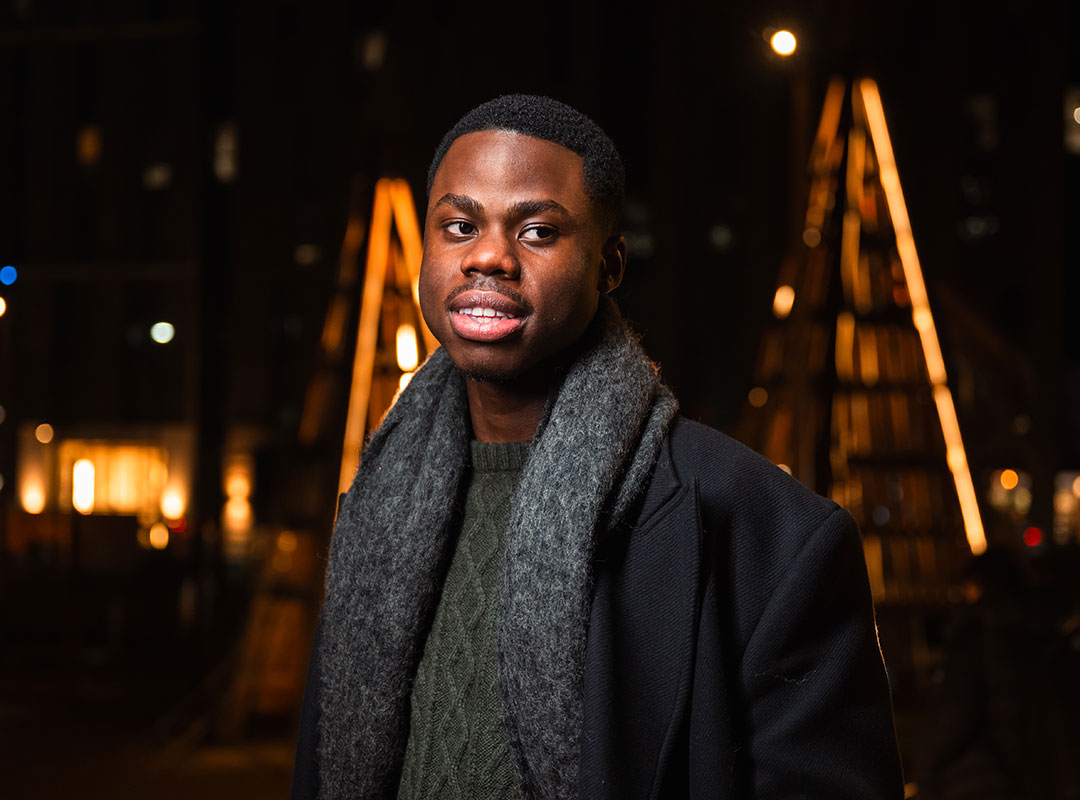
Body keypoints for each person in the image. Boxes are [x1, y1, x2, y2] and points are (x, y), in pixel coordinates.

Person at [292, 94, 904, 800]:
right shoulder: (376, 504)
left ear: (609, 265)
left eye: (539, 232)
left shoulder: (765, 530)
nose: (488, 255)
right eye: (459, 226)